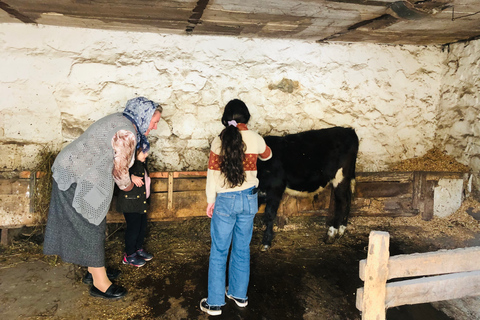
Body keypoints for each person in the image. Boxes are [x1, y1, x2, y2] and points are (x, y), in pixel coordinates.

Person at [43, 97, 162, 300]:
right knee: (92, 223)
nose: (155, 126)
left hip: (83, 173)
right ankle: (100, 283)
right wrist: (129, 186)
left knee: (92, 220)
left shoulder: (121, 119)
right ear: (143, 116)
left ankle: (94, 271)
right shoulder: (127, 133)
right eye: (154, 121)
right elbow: (120, 173)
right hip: (78, 177)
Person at [200, 99, 272, 316]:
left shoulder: (218, 141)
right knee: (242, 248)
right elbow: (268, 155)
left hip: (225, 201)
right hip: (249, 200)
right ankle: (239, 295)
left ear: (227, 118)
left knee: (220, 250)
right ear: (246, 117)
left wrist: (210, 200)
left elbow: (212, 175)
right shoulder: (255, 138)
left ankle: (214, 303)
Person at [116, 147, 153, 267]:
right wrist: (130, 176)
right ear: (135, 153)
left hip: (140, 203)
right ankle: (129, 255)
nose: (146, 154)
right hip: (130, 203)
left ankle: (138, 249)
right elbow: (118, 172)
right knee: (133, 228)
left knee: (142, 227)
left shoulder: (141, 164)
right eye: (143, 152)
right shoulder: (128, 164)